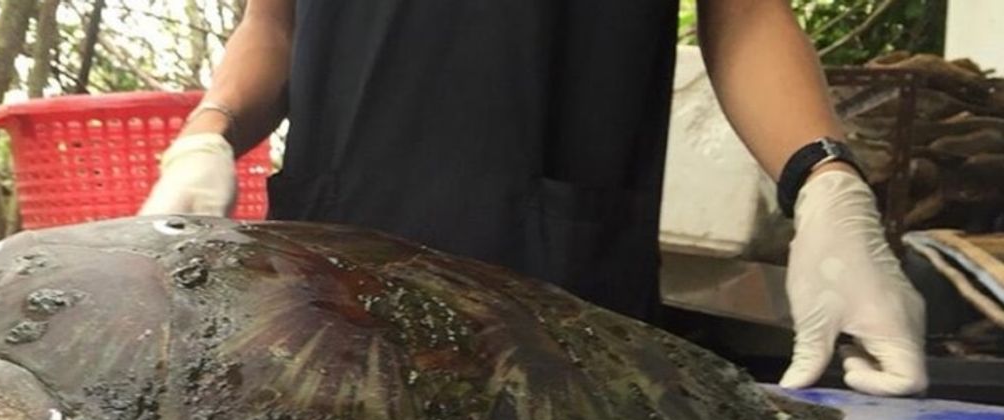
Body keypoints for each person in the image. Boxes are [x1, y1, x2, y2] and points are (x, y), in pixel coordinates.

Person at [139, 0, 927, 398]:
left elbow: (745, 11)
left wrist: (826, 182)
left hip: (564, 305)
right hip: (330, 295)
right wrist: (207, 132)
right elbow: (273, 21)